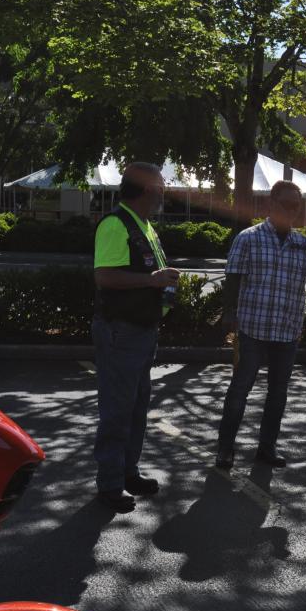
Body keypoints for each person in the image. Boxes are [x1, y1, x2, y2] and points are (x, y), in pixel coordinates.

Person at [216, 180, 306, 470]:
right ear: (270, 204)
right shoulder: (248, 238)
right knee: (240, 390)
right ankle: (225, 449)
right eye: (287, 204)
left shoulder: (304, 244)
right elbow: (233, 277)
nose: (292, 211)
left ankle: (266, 448)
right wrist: (228, 312)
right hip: (253, 328)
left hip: (286, 330)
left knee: (278, 393)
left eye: (297, 206)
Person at [92, 161, 180, 512]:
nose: (163, 194)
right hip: (122, 330)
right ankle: (110, 484)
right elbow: (105, 276)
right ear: (148, 190)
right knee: (117, 410)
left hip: (141, 330)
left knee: (137, 407)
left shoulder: (142, 225)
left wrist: (161, 283)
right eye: (161, 187)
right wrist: (151, 280)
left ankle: (128, 472)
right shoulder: (116, 224)